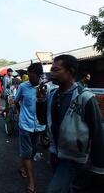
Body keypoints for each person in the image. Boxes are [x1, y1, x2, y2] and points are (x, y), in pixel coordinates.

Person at [36, 55, 104, 192]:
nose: (52, 74)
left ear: (70, 71)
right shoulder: (52, 95)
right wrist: (40, 101)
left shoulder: (85, 96)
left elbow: (97, 132)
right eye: (51, 70)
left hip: (74, 158)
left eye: (56, 70)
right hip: (55, 153)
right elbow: (43, 121)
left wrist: (98, 167)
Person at [14, 63, 45, 193]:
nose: (30, 80)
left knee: (31, 152)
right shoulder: (23, 86)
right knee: (27, 153)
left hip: (38, 127)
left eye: (33, 77)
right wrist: (21, 114)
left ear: (39, 76)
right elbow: (16, 100)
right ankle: (32, 183)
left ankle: (22, 167)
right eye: (29, 76)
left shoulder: (46, 88)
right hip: (25, 125)